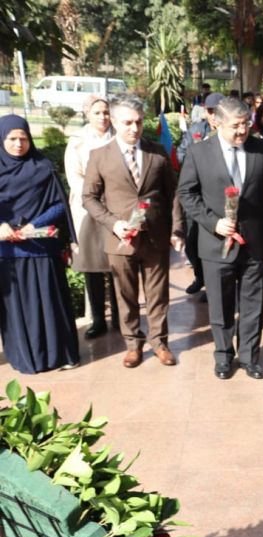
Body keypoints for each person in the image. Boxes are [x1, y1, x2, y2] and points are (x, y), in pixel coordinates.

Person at [178, 97, 263, 380]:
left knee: (254, 302)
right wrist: (213, 223)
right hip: (215, 243)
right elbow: (187, 194)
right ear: (217, 123)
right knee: (221, 303)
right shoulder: (199, 152)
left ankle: (250, 357)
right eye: (236, 126)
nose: (242, 131)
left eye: (246, 124)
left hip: (256, 241)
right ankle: (224, 356)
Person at [83, 97, 185, 369]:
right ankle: (132, 344)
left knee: (158, 294)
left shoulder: (157, 153)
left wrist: (177, 229)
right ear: (115, 122)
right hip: (120, 239)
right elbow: (89, 198)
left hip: (156, 236)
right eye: (127, 122)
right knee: (125, 295)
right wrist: (113, 224)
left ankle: (160, 342)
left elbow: (173, 193)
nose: (134, 128)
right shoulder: (100, 156)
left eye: (138, 122)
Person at [0, 115, 80, 373]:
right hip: (7, 251)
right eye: (12, 138)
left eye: (23, 138)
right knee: (17, 309)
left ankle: (59, 354)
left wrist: (34, 225)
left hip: (41, 247)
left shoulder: (42, 167)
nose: (18, 144)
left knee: (50, 303)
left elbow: (59, 205)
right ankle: (26, 358)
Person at [64, 93, 118, 339]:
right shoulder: (77, 141)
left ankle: (120, 315)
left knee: (117, 263)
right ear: (87, 114)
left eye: (106, 112)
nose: (102, 117)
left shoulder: (118, 136)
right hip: (87, 208)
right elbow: (74, 177)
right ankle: (98, 319)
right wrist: (94, 197)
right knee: (93, 266)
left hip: (115, 207)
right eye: (97, 113)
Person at [177, 92, 224, 297]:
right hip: (196, 195)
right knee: (191, 241)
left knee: (214, 242)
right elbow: (181, 153)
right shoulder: (196, 130)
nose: (214, 116)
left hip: (219, 196)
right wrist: (198, 158)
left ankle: (214, 284)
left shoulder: (230, 132)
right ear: (206, 112)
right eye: (211, 111)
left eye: (217, 111)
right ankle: (200, 276)